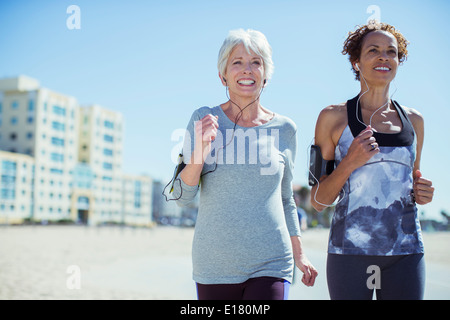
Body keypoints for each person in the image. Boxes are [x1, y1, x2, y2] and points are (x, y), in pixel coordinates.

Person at [171, 29, 317, 300]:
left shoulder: (286, 129)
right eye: (237, 62)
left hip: (272, 261)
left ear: (266, 73)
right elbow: (182, 196)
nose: (247, 70)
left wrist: (300, 254)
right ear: (222, 75)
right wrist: (200, 150)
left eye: (256, 62)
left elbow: (286, 199)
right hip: (215, 265)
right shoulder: (203, 118)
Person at [311, 21, 434, 300]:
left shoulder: (415, 121)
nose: (384, 57)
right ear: (356, 62)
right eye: (374, 50)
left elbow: (414, 185)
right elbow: (318, 201)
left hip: (406, 251)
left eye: (391, 52)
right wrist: (349, 162)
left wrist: (423, 193)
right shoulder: (333, 118)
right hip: (350, 253)